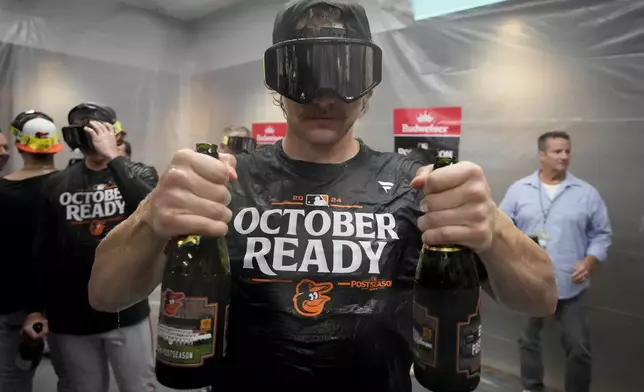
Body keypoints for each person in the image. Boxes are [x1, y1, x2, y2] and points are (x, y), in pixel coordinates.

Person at [88, 1, 557, 391]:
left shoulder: (417, 185)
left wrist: (491, 227)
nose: (324, 95)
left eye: (344, 72)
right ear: (277, 84)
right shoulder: (225, 181)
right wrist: (152, 216)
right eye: (304, 72)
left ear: (368, 84)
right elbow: (105, 294)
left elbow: (539, 298)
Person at [26, 102, 159, 392]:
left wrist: (113, 156)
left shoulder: (140, 173)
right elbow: (42, 251)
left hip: (126, 309)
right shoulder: (55, 184)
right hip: (70, 313)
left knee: (138, 386)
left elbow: (151, 212)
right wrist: (36, 309)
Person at [499, 130, 612, 392]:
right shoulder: (519, 191)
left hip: (571, 286)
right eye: (557, 151)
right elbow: (501, 227)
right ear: (542, 155)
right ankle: (531, 387)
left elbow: (602, 234)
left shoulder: (586, 193)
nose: (564, 156)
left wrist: (590, 260)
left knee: (578, 346)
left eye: (567, 151)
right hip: (530, 283)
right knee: (527, 340)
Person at [0, 110, 61, 392]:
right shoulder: (72, 185)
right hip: (67, 303)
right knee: (75, 379)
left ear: (19, 145)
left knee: (13, 379)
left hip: (15, 302)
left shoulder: (4, 191)